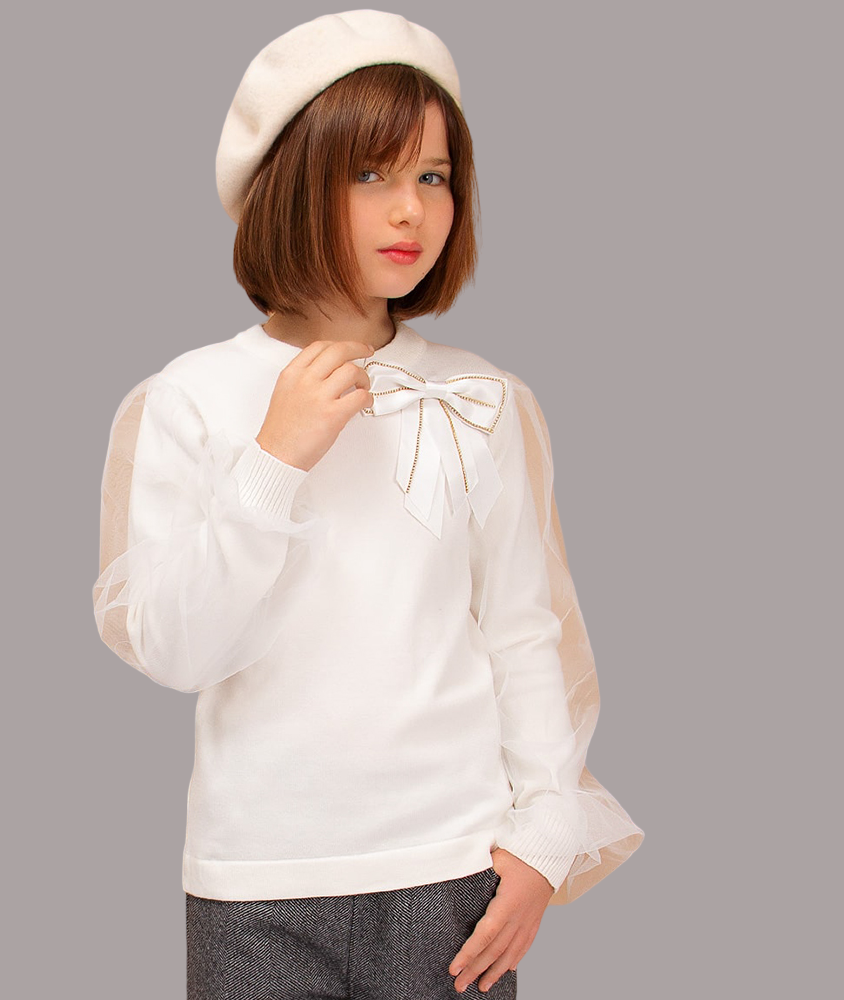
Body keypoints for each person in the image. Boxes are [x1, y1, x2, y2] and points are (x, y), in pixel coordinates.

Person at [92, 10, 643, 999]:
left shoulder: (478, 398)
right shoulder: (191, 398)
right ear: (291, 182)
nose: (410, 212)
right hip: (256, 882)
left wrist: (543, 836)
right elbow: (175, 650)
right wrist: (276, 458)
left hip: (453, 869)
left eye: (433, 176)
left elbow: (524, 631)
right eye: (370, 173)